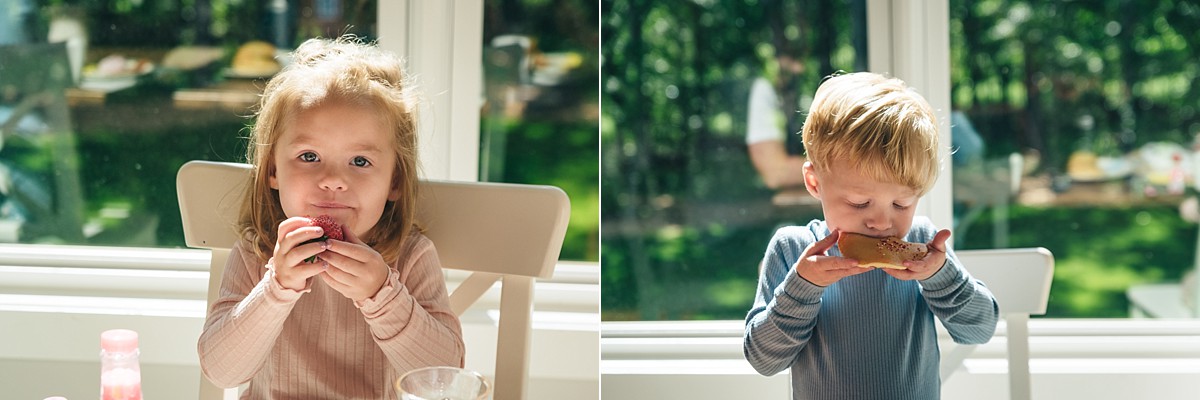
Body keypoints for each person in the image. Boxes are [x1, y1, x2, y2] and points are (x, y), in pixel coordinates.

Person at [197, 35, 465, 399]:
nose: (333, 181)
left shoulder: (409, 255)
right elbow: (222, 372)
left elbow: (441, 380)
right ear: (273, 170)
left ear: (395, 181)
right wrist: (277, 289)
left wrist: (381, 295)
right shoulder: (256, 251)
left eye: (360, 161)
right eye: (309, 156)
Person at [743, 72, 999, 400]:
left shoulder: (921, 244)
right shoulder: (793, 250)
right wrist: (802, 287)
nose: (881, 221)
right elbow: (764, 360)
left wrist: (940, 275)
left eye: (901, 203)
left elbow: (978, 329)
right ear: (815, 183)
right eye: (859, 202)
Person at [746, 54, 807, 190]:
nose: (800, 69)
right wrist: (843, 167)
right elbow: (776, 174)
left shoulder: (788, 92)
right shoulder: (764, 88)